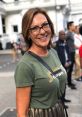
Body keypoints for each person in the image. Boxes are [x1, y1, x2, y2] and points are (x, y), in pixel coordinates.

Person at [14, 8, 67, 117]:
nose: (42, 31)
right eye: (35, 28)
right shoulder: (25, 65)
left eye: (45, 25)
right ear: (28, 34)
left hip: (59, 110)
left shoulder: (53, 52)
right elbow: (21, 113)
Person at [55, 30, 71, 104]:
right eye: (62, 34)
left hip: (66, 65)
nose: (63, 36)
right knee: (60, 83)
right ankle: (60, 101)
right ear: (59, 35)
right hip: (60, 67)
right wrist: (63, 63)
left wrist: (69, 61)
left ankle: (63, 98)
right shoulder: (56, 44)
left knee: (64, 82)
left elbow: (68, 53)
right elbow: (56, 57)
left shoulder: (65, 43)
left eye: (64, 34)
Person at [66, 21, 76, 89]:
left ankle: (70, 81)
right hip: (70, 53)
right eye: (73, 25)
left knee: (72, 68)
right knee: (69, 68)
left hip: (73, 52)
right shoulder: (68, 33)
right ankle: (69, 83)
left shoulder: (72, 33)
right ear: (69, 26)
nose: (74, 26)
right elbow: (64, 39)